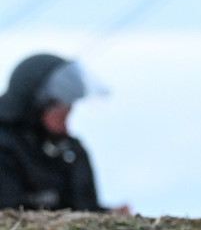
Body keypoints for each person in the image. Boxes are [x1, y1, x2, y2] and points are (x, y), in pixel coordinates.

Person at [0, 53, 129, 214]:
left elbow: (82, 213)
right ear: (35, 106)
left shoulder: (70, 152)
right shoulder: (5, 145)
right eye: (59, 110)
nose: (65, 124)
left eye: (67, 111)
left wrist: (107, 216)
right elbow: (9, 216)